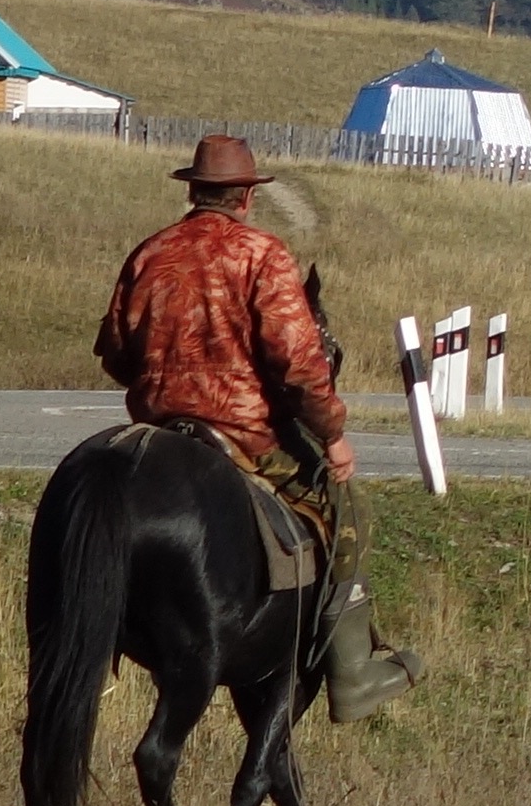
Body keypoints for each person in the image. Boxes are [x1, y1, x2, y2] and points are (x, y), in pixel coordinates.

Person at [95, 134, 424, 719]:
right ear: (246, 196)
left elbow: (116, 355)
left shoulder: (150, 254)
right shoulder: (263, 255)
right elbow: (299, 364)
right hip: (244, 433)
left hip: (161, 430)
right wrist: (332, 435)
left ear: (194, 191)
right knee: (347, 506)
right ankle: (352, 672)